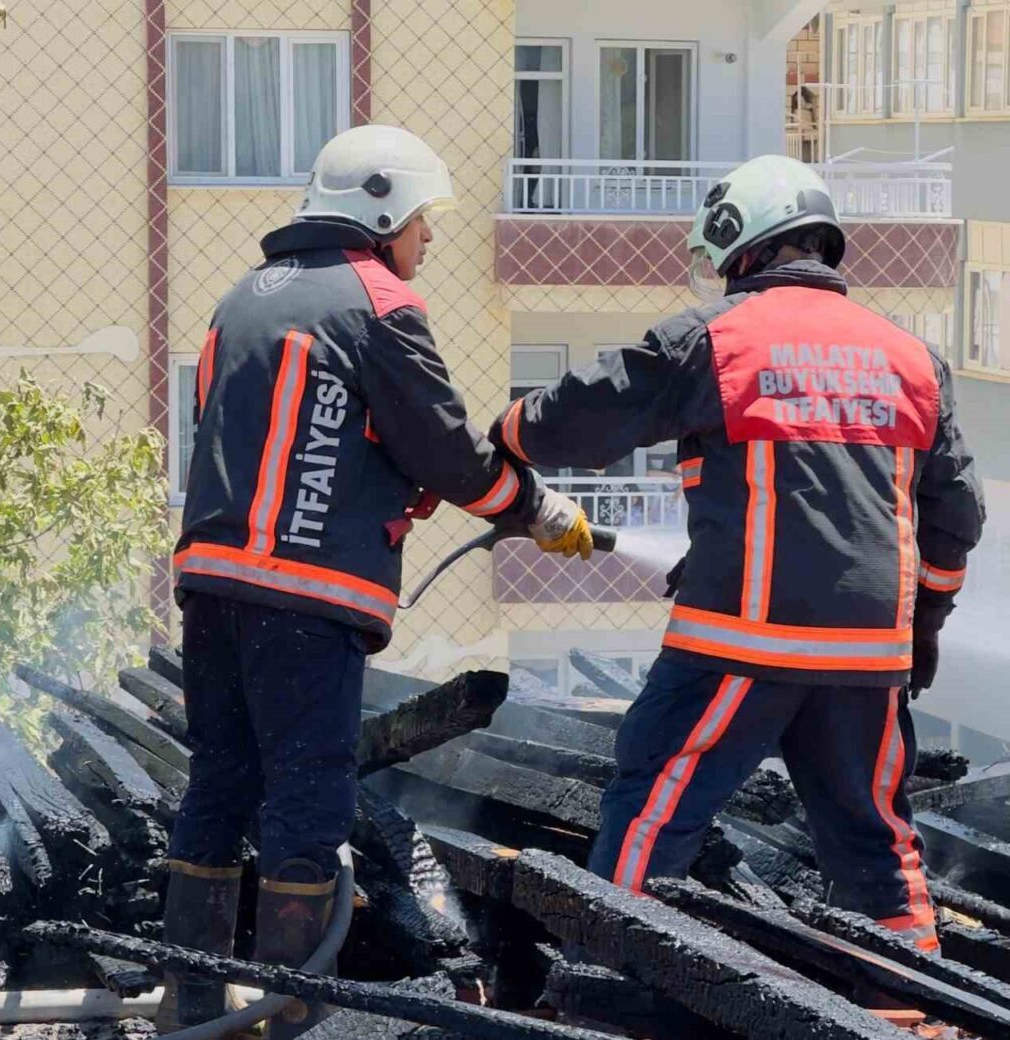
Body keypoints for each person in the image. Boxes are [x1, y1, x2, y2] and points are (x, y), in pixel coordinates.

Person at [491, 155, 985, 954]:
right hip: (869, 653)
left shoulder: (714, 338)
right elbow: (956, 513)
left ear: (743, 244)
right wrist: (924, 624)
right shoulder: (913, 358)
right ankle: (916, 997)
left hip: (740, 639)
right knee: (875, 840)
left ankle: (610, 976)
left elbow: (575, 421)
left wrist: (504, 437)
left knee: (654, 804)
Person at [161, 125, 591, 1036]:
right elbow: (448, 451)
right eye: (423, 219)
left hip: (210, 584)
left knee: (219, 783)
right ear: (382, 210)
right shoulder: (379, 304)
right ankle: (292, 1013)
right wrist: (539, 507)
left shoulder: (242, 299)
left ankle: (187, 1005)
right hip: (304, 596)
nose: (428, 237)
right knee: (308, 792)